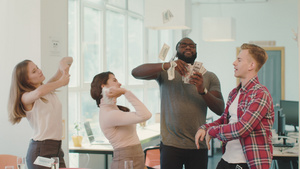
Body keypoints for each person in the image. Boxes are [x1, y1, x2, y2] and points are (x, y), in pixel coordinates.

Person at [131, 37, 225, 169]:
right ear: (176, 50)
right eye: (183, 45)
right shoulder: (165, 73)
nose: (188, 47)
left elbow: (220, 109)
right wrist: (166, 65)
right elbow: (135, 73)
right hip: (171, 145)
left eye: (192, 46)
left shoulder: (209, 77)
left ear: (196, 50)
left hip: (198, 144)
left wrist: (202, 90)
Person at [195, 43, 274, 169]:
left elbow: (242, 128)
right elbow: (224, 120)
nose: (234, 63)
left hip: (248, 162)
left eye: (239, 60)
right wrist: (205, 127)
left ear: (251, 65)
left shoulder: (261, 94)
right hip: (227, 159)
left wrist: (212, 131)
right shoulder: (234, 93)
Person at [7, 57, 73, 169]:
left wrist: (62, 63)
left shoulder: (48, 89)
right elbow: (38, 92)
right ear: (26, 80)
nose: (39, 70)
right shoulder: (26, 98)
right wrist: (61, 82)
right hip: (41, 150)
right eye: (34, 71)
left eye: (37, 67)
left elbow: (69, 60)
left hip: (56, 149)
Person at [90, 71, 152, 169]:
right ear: (103, 87)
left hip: (136, 159)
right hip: (125, 162)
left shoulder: (114, 109)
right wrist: (125, 92)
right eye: (114, 80)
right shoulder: (109, 114)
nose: (119, 84)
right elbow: (146, 115)